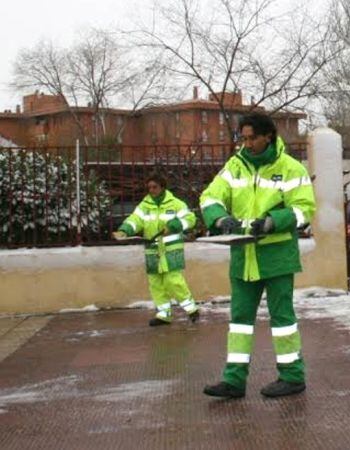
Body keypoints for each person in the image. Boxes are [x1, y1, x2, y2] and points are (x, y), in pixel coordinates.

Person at [200, 113, 316, 399]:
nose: (247, 143)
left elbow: (304, 208)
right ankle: (234, 380)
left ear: (269, 136)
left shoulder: (290, 168)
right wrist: (219, 219)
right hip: (243, 256)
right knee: (239, 320)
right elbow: (210, 197)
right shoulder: (234, 166)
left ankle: (292, 377)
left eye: (252, 138)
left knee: (282, 320)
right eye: (244, 138)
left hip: (276, 257)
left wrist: (272, 221)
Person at [113, 173, 200, 326]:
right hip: (152, 250)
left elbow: (190, 219)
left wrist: (175, 225)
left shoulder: (176, 204)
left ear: (163, 187)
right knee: (156, 284)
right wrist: (124, 230)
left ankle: (191, 309)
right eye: (149, 187)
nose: (151, 190)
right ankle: (163, 314)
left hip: (171, 251)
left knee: (173, 281)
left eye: (155, 187)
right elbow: (135, 220)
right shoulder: (144, 206)